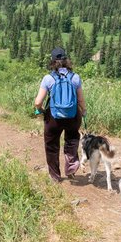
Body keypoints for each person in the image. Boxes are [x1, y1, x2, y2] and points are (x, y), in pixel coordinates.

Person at [33, 47, 87, 183]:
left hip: (53, 118)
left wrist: (39, 110)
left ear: (52, 61)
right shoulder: (75, 77)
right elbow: (80, 99)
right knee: (72, 140)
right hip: (73, 116)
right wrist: (84, 111)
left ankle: (55, 176)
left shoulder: (48, 78)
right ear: (66, 60)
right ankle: (71, 168)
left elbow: (38, 101)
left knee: (51, 145)